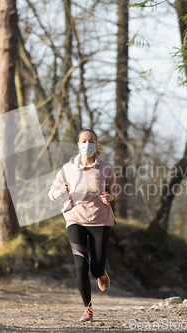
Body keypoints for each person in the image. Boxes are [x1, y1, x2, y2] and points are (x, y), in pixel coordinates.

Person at [48, 128, 118, 322]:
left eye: (91, 141)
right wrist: (60, 190)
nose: (87, 144)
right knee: (81, 265)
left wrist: (109, 197)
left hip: (100, 220)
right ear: (78, 144)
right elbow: (51, 192)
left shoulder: (106, 167)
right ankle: (87, 309)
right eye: (84, 141)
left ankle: (101, 273)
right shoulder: (67, 168)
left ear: (96, 144)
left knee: (95, 269)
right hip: (75, 219)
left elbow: (114, 192)